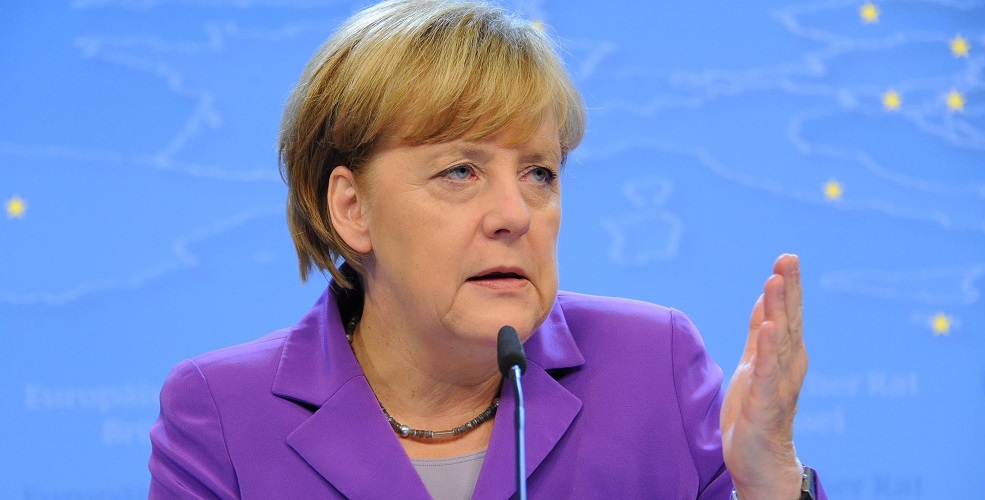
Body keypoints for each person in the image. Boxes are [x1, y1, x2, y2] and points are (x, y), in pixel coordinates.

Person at [148, 0, 826, 498]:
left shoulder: (654, 369)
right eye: (460, 171)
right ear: (352, 209)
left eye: (540, 174)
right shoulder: (224, 415)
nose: (514, 214)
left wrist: (769, 477)